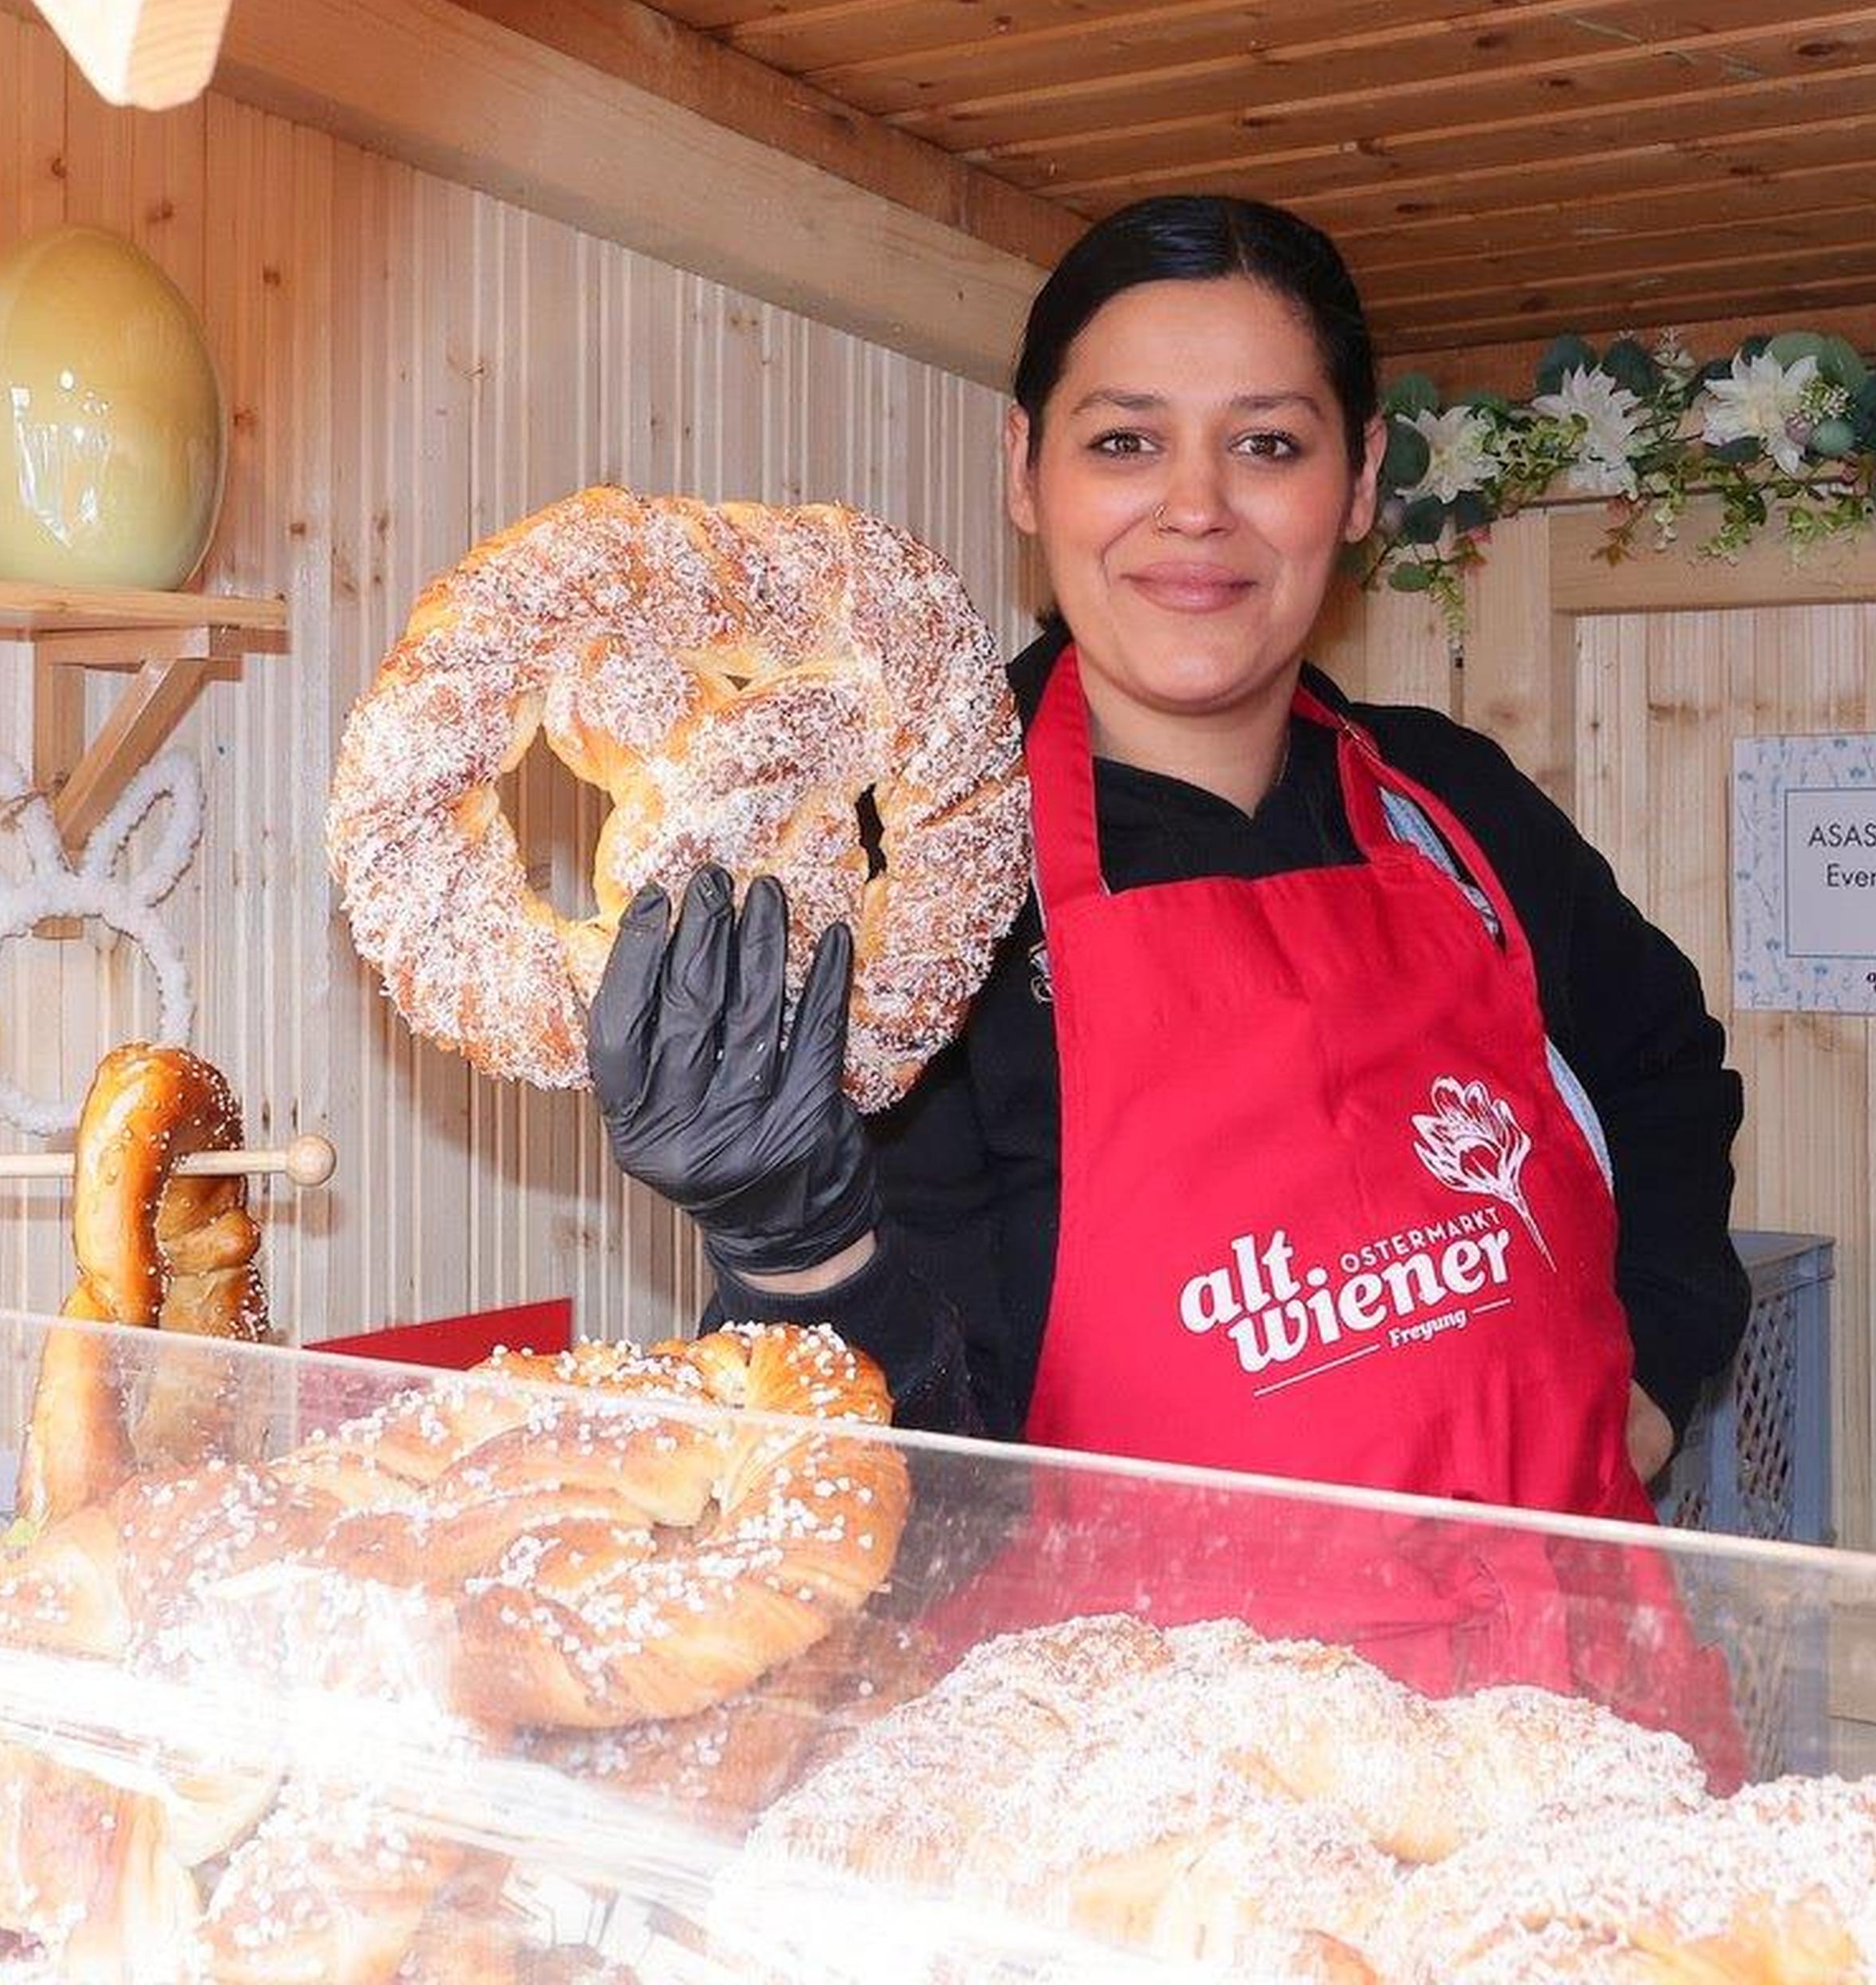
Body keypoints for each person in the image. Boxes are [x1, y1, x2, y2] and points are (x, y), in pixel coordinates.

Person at [590, 193, 1749, 1536]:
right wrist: (795, 1255)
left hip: (1559, 1700)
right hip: (1138, 1714)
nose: (1196, 508)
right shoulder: (911, 880)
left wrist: (1656, 1371)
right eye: (1126, 440)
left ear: (1360, 479)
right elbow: (904, 1502)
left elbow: (1665, 1072)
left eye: (1267, 443)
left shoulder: (1453, 801)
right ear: (1028, 469)